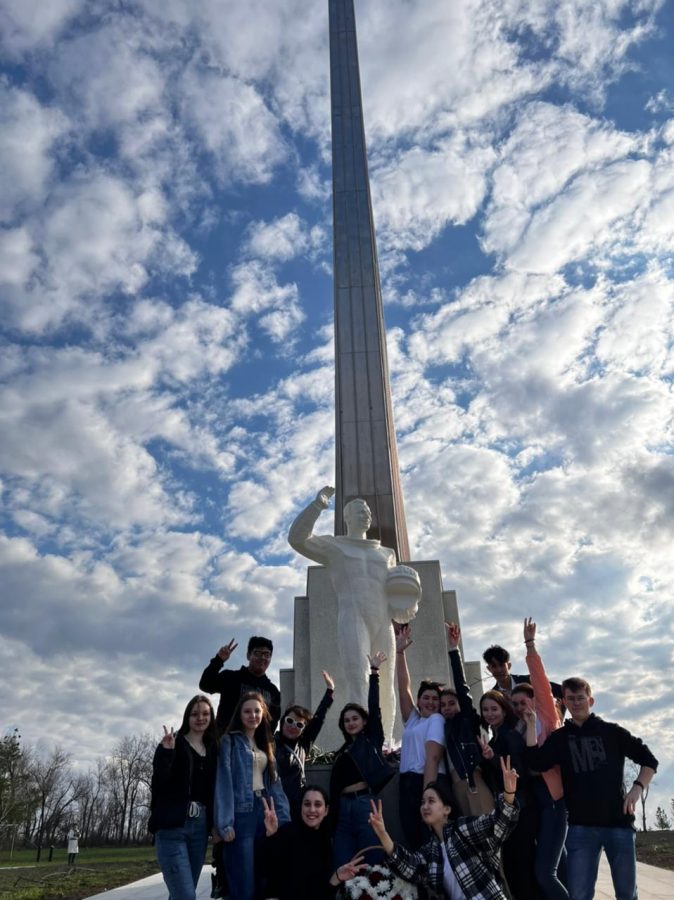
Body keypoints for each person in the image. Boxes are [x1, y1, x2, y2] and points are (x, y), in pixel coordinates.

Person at [288, 486, 419, 743]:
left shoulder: (386, 554)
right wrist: (317, 506)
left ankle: (387, 742)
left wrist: (411, 600)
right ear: (347, 517)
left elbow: (399, 596)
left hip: (382, 621)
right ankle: (363, 741)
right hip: (353, 619)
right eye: (359, 510)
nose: (366, 514)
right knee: (360, 679)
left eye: (368, 510)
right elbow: (297, 539)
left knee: (386, 684)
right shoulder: (335, 547)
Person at [524, 676, 658, 900]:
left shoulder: (612, 732)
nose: (576, 703)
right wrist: (530, 726)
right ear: (564, 702)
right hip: (580, 829)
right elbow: (535, 762)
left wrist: (637, 789)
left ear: (591, 700)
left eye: (580, 698)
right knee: (579, 895)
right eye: (570, 699)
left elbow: (649, 760)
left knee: (626, 894)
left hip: (619, 825)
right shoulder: (560, 738)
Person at [368, 757, 520, 899]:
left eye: (431, 801)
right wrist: (382, 833)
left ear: (446, 809)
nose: (425, 806)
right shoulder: (430, 852)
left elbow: (496, 825)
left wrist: (508, 793)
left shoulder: (461, 829)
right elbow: (409, 867)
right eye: (422, 802)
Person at [214, 691, 290, 900]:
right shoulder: (230, 741)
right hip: (242, 815)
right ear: (240, 714)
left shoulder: (266, 743)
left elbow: (275, 784)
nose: (252, 715)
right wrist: (225, 823)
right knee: (243, 882)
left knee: (263, 879)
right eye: (247, 711)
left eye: (257, 711)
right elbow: (224, 782)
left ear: (263, 714)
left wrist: (283, 819)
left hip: (264, 815)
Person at [513, 618, 568, 900]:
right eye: (516, 704)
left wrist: (530, 645)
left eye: (525, 701)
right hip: (536, 800)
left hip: (553, 800)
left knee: (545, 873)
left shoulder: (545, 717)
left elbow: (540, 682)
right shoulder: (519, 728)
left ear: (535, 701)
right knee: (561, 866)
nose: (521, 707)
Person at [149, 695, 218, 900]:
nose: (200, 718)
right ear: (187, 716)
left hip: (199, 830)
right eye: (195, 714)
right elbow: (159, 782)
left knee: (181, 894)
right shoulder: (173, 743)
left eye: (205, 714)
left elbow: (214, 792)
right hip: (172, 828)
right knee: (185, 896)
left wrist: (214, 825)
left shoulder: (213, 749)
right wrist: (166, 753)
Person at [330, 651, 395, 868]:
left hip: (363, 804)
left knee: (371, 859)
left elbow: (374, 708)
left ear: (364, 722)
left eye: (355, 718)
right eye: (346, 720)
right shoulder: (343, 750)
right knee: (344, 861)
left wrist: (374, 672)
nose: (350, 723)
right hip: (342, 807)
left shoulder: (371, 740)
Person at [478, 690, 537, 900]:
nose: (490, 713)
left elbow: (518, 772)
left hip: (520, 811)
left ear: (504, 710)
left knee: (521, 869)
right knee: (513, 867)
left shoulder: (510, 736)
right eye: (485, 709)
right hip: (507, 811)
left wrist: (493, 758)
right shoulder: (495, 738)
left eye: (494, 709)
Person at [262, 784, 367, 899]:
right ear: (301, 807)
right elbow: (267, 870)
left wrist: (336, 877)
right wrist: (271, 836)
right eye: (307, 804)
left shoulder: (326, 841)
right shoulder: (287, 832)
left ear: (326, 810)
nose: (312, 809)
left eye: (317, 804)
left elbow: (322, 892)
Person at [396, 624, 447, 849]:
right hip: (407, 782)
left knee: (428, 840)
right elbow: (403, 688)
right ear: (418, 701)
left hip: (426, 781)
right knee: (412, 838)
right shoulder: (415, 720)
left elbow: (433, 758)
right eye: (426, 698)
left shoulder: (437, 720)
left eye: (435, 699)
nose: (430, 702)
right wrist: (400, 652)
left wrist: (428, 793)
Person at [442, 622, 494, 818]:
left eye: (451, 703)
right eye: (443, 705)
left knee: (485, 832)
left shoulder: (465, 719)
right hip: (456, 786)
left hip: (472, 780)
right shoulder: (443, 726)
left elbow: (462, 689)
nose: (447, 708)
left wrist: (454, 650)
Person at [275, 670, 335, 821]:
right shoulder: (269, 743)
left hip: (296, 810)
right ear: (283, 721)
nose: (293, 726)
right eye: (290, 721)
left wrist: (330, 691)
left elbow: (319, 718)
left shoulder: (303, 745)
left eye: (299, 725)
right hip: (273, 808)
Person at [199, 635, 281, 734]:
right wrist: (218, 660)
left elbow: (272, 723)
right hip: (224, 742)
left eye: (267, 654)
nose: (262, 658)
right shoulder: (231, 677)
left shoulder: (273, 691)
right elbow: (205, 684)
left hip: (254, 746)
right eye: (258, 653)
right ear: (248, 655)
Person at [483, 643, 562, 703]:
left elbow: (562, 691)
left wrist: (559, 716)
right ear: (489, 669)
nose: (499, 670)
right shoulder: (494, 696)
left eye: (501, 665)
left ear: (509, 665)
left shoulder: (529, 681)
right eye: (494, 666)